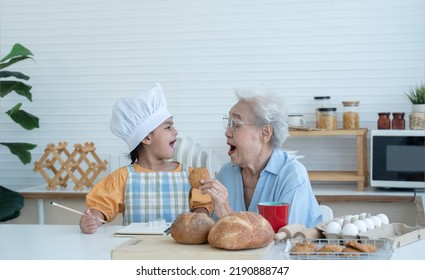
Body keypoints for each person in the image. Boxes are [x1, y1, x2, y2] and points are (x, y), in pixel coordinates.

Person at [80, 83, 212, 234]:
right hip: (136, 249)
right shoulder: (123, 177)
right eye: (168, 127)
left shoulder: (188, 174)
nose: (176, 131)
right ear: (147, 138)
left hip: (177, 249)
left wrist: (198, 220)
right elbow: (102, 206)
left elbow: (201, 207)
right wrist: (92, 219)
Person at [199, 86, 322, 228]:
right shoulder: (226, 173)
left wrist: (228, 215)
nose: (227, 132)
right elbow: (218, 235)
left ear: (264, 133)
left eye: (235, 124)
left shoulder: (293, 176)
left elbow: (285, 241)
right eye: (228, 123)